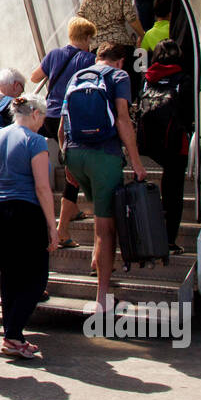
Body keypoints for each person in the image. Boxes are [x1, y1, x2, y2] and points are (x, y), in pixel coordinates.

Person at [58, 43, 147, 313]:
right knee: (106, 229)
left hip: (75, 154)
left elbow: (63, 127)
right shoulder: (119, 77)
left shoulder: (77, 77)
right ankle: (102, 298)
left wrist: (67, 162)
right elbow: (122, 119)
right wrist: (136, 162)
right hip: (103, 156)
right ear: (119, 61)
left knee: (100, 214)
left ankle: (98, 262)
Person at [0, 94, 60, 358]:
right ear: (36, 114)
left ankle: (12, 334)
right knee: (37, 276)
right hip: (26, 211)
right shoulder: (35, 140)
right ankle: (13, 335)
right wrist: (53, 226)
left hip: (0, 209)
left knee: (11, 274)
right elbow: (42, 187)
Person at [31, 16, 97, 248]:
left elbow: (34, 77)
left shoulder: (55, 54)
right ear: (87, 38)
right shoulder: (89, 59)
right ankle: (62, 230)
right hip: (70, 119)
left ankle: (74, 210)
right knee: (73, 175)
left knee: (67, 166)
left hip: (48, 116)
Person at [138, 39, 194, 253]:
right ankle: (169, 239)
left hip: (149, 141)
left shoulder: (146, 79)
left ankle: (146, 235)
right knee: (173, 191)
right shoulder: (184, 80)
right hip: (173, 141)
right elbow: (188, 112)